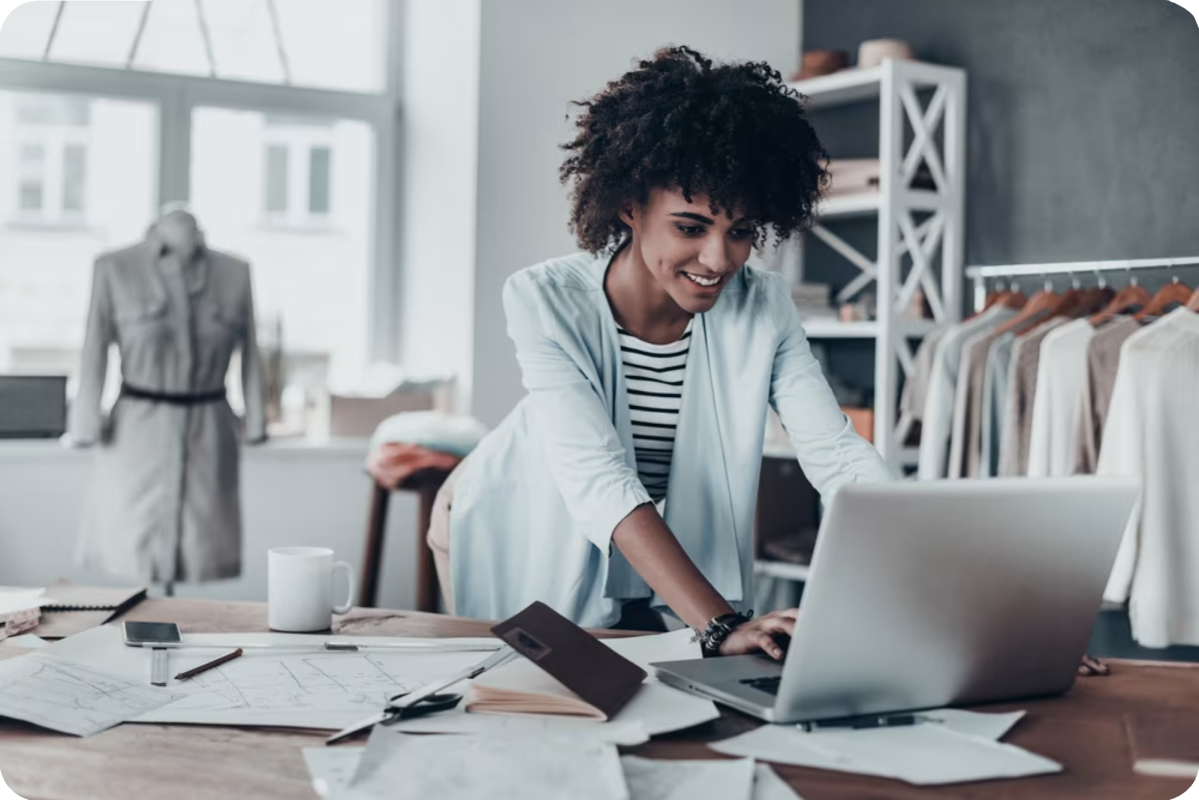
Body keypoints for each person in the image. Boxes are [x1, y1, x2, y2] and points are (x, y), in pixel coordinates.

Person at [427, 46, 893, 659]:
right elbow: (599, 478)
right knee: (537, 701)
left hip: (640, 528)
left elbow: (834, 454)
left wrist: (916, 573)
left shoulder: (763, 306)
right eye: (690, 227)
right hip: (512, 510)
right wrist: (721, 625)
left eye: (742, 231)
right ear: (630, 205)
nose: (719, 260)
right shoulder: (543, 300)